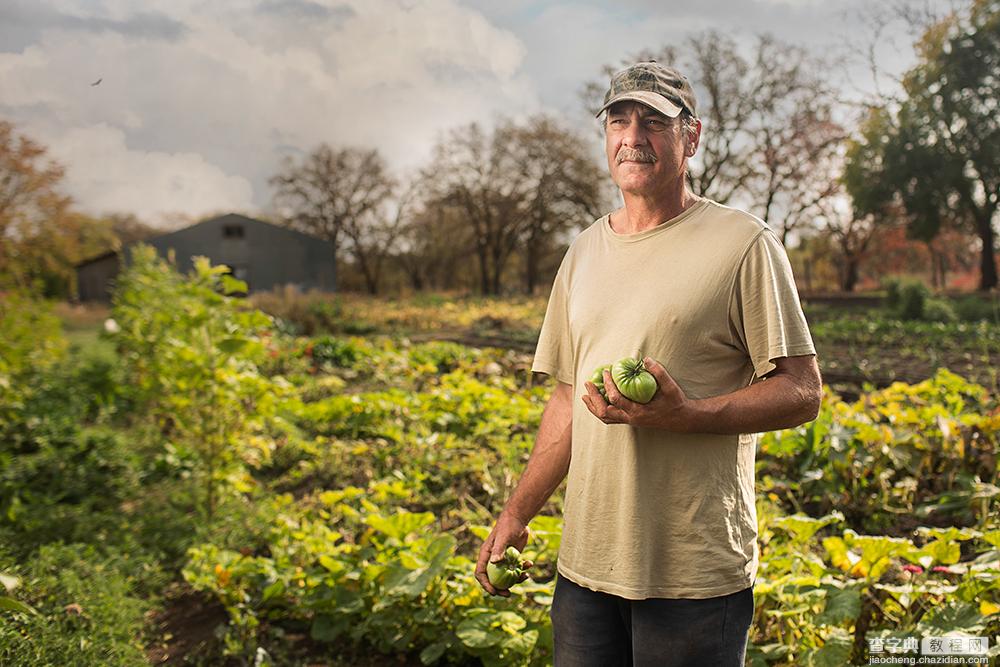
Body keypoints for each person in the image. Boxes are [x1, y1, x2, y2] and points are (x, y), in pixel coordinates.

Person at [474, 61, 822, 666]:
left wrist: (686, 414)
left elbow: (802, 391)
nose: (633, 135)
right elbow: (565, 404)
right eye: (619, 119)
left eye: (654, 122)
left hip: (691, 575)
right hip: (585, 570)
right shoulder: (583, 251)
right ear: (606, 136)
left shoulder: (743, 244)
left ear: (690, 138)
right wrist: (515, 512)